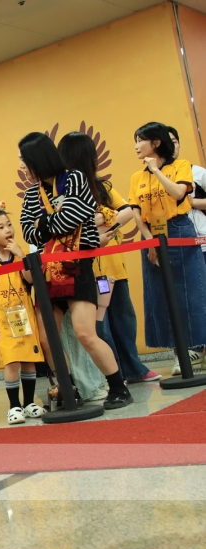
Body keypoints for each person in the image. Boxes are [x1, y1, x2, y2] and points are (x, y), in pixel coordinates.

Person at [19, 131, 132, 410]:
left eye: (24, 160)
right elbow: (28, 232)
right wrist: (50, 224)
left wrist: (44, 223)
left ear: (38, 159)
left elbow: (74, 216)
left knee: (85, 333)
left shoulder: (75, 179)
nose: (22, 166)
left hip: (77, 267)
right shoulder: (32, 194)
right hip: (47, 270)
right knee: (48, 339)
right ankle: (69, 390)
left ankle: (118, 387)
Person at [57, 131, 159, 384]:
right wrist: (97, 224)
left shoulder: (101, 186)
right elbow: (68, 224)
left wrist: (103, 222)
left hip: (114, 265)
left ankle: (134, 368)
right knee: (100, 324)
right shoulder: (63, 191)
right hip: (89, 269)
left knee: (124, 317)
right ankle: (114, 375)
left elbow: (127, 211)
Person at [127, 122, 206, 371]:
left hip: (179, 228)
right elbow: (137, 213)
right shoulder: (136, 177)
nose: (136, 146)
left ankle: (196, 349)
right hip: (151, 234)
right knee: (159, 295)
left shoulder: (181, 166)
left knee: (190, 292)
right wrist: (149, 241)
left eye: (140, 140)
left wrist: (156, 170)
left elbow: (178, 194)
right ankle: (177, 352)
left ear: (156, 142)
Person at [0, 203, 46, 424]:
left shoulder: (21, 254)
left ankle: (29, 402)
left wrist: (21, 256)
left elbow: (32, 280)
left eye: (9, 225)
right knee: (11, 362)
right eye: (1, 227)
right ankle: (14, 406)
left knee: (29, 360)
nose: (8, 230)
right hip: (3, 320)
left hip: (24, 317)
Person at [167, 126, 206, 374]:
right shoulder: (155, 178)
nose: (171, 146)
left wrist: (189, 201)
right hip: (176, 247)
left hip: (202, 243)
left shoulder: (196, 173)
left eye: (174, 141)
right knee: (185, 301)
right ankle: (193, 350)